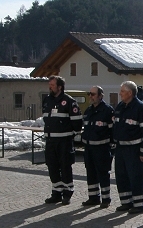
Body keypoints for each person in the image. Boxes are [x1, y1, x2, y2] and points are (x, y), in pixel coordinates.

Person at [112, 81, 143, 214]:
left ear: (130, 93)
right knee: (121, 176)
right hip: (120, 149)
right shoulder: (120, 107)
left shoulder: (141, 108)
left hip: (134, 150)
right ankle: (126, 202)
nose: (120, 94)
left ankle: (138, 204)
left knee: (135, 177)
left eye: (122, 91)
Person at [42, 75, 83, 205]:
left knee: (65, 167)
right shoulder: (47, 100)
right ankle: (56, 193)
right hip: (50, 141)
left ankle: (67, 192)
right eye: (50, 85)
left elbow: (77, 122)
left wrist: (73, 135)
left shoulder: (69, 101)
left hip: (64, 141)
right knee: (52, 166)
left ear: (59, 87)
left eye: (52, 85)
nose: (50, 87)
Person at [81, 86, 114, 208]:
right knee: (90, 173)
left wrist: (111, 147)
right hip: (89, 148)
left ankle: (106, 198)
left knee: (103, 173)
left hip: (102, 148)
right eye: (90, 94)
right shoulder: (89, 111)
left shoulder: (107, 111)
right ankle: (93, 197)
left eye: (93, 94)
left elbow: (113, 131)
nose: (91, 96)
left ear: (100, 96)